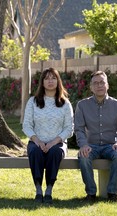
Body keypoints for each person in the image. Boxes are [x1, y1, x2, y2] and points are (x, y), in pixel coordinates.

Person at [74, 71, 117, 202]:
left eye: (102, 82)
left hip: (111, 145)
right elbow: (79, 129)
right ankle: (91, 194)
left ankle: (112, 194)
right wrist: (83, 145)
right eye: (96, 83)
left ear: (107, 85)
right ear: (91, 87)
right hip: (91, 146)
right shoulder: (82, 105)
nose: (99, 85)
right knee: (83, 157)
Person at [22, 68, 74, 204]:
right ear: (42, 83)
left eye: (53, 78)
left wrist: (53, 143)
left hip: (58, 143)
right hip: (36, 141)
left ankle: (49, 190)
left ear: (58, 81)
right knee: (35, 152)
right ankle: (38, 190)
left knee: (55, 152)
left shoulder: (65, 103)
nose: (50, 81)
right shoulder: (33, 102)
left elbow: (69, 128)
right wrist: (37, 141)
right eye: (47, 78)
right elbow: (26, 125)